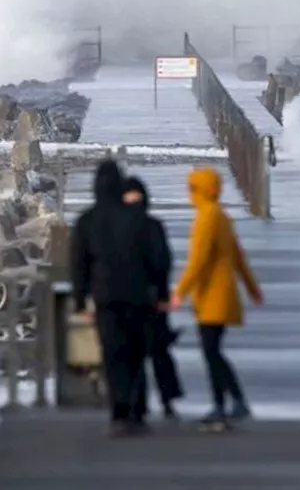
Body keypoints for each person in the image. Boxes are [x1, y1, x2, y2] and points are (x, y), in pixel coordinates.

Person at [70, 159, 158, 436]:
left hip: (106, 298)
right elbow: (157, 260)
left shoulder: (87, 221)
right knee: (135, 353)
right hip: (138, 296)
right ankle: (137, 411)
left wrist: (80, 300)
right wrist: (162, 292)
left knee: (113, 354)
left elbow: (79, 264)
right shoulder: (138, 218)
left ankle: (118, 411)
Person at [171, 166, 263, 429]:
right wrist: (252, 288)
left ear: (198, 190)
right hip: (224, 294)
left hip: (211, 296)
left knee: (211, 353)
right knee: (214, 352)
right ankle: (232, 402)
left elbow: (198, 261)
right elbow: (238, 256)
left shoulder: (205, 218)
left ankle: (224, 404)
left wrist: (180, 291)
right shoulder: (221, 216)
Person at [123, 176, 186, 420]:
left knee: (134, 354)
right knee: (159, 353)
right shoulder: (153, 226)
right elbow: (164, 263)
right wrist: (162, 294)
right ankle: (168, 399)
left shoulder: (119, 229)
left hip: (129, 299)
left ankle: (137, 403)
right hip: (153, 298)